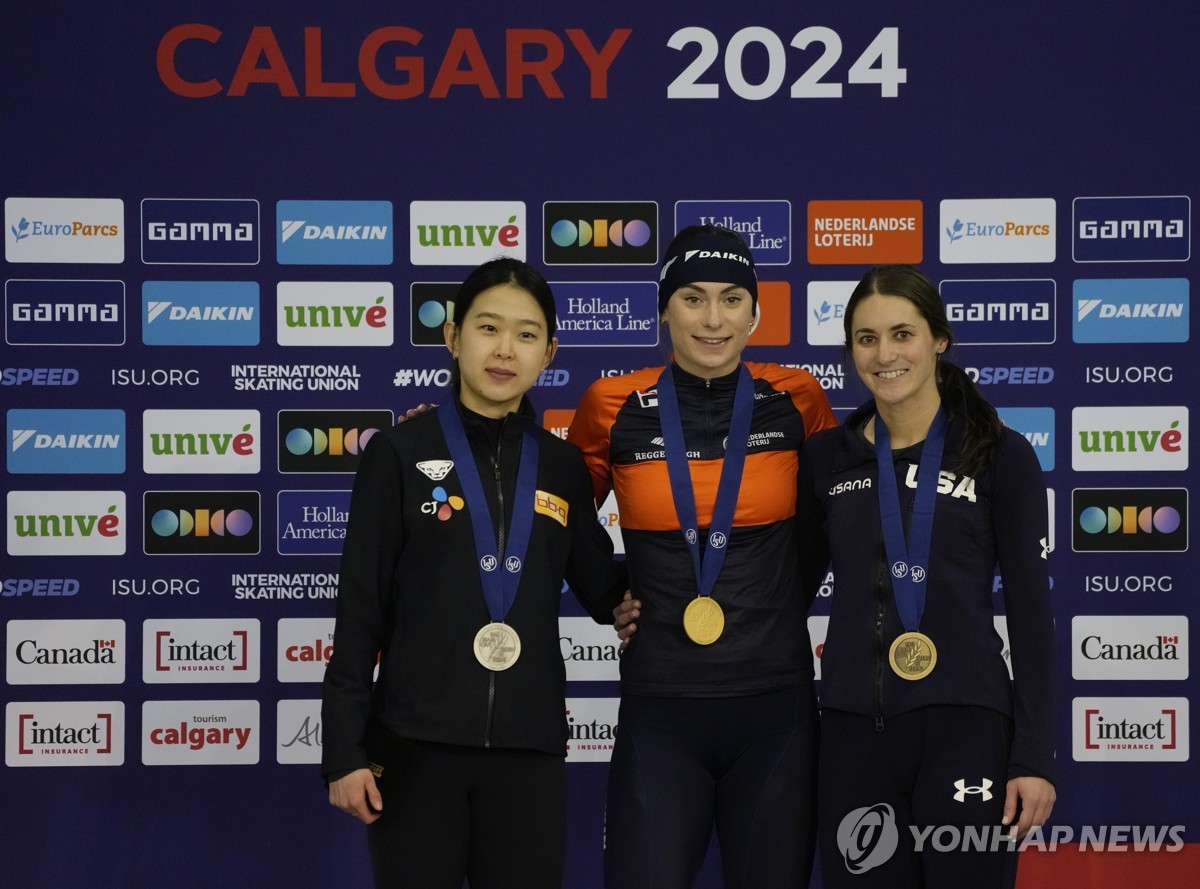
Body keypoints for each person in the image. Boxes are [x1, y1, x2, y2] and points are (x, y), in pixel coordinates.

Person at [321, 257, 628, 889]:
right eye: (488, 328)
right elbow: (359, 612)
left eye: (526, 333)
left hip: (529, 752)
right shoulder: (399, 454)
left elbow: (605, 589)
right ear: (454, 337)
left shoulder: (563, 467)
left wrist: (678, 589)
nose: (504, 350)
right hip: (412, 749)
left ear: (549, 352)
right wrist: (343, 754)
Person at [569, 224, 837, 889]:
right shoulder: (613, 405)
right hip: (661, 706)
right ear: (663, 307)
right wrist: (610, 595)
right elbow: (555, 515)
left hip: (776, 705)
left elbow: (838, 517)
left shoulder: (798, 397)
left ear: (756, 311)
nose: (713, 318)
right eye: (692, 297)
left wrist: (780, 604)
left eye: (730, 298)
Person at [796, 264, 1056, 888]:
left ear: (938, 340)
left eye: (902, 334)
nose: (884, 355)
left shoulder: (999, 453)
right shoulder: (827, 458)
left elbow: (1030, 615)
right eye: (866, 338)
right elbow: (787, 594)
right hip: (854, 736)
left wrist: (1033, 757)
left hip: (966, 730)